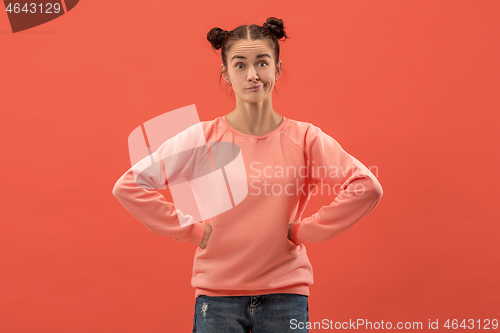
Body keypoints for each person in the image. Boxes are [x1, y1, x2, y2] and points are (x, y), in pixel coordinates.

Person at [112, 17, 383, 333]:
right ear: (226, 74)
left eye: (262, 63)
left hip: (285, 296)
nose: (253, 75)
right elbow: (130, 185)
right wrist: (190, 231)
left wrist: (306, 231)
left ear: (277, 69)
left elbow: (366, 186)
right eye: (240, 65)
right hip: (217, 299)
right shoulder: (203, 138)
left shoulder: (305, 138)